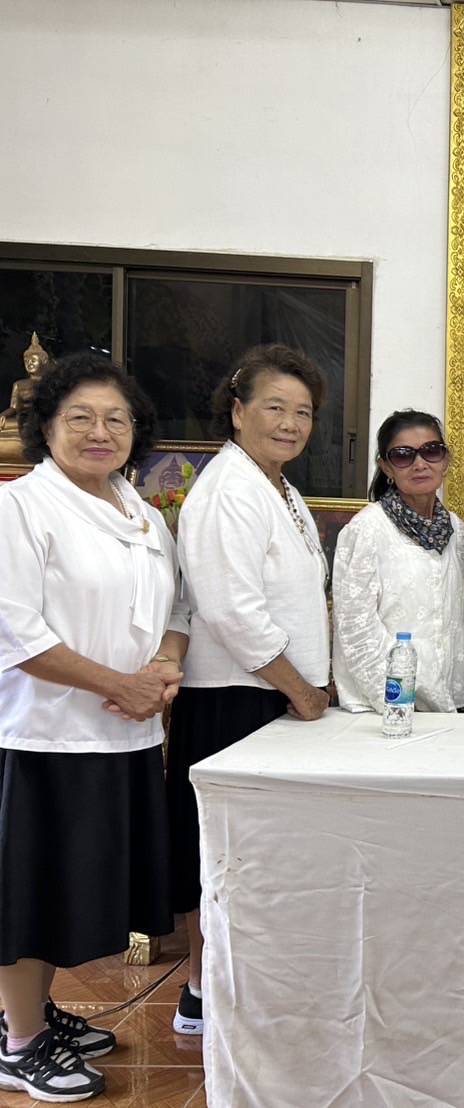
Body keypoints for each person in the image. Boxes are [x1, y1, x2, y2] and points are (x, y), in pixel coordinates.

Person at [0, 354, 188, 1102]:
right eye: (79, 417)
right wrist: (121, 684)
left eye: (116, 419)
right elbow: (15, 630)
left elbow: (176, 609)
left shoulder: (135, 508)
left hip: (126, 735)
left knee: (73, 891)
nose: (99, 432)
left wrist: (163, 673)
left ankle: (37, 1013)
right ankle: (17, 1042)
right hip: (46, 738)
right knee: (29, 893)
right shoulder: (22, 507)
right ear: (46, 425)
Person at [168, 343, 331, 1037]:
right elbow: (234, 612)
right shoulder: (227, 489)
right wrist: (302, 691)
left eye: (303, 412)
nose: (290, 423)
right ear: (236, 412)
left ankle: (243, 981)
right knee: (226, 854)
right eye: (274, 408)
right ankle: (203, 993)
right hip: (237, 698)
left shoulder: (279, 486)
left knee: (264, 857)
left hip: (274, 695)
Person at [332, 410, 464, 714]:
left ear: (446, 460)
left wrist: (454, 698)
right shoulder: (368, 529)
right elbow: (355, 629)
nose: (420, 464)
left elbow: (456, 620)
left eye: (431, 451)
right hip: (384, 704)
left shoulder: (455, 530)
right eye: (403, 455)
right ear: (386, 467)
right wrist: (399, 701)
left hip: (451, 700)